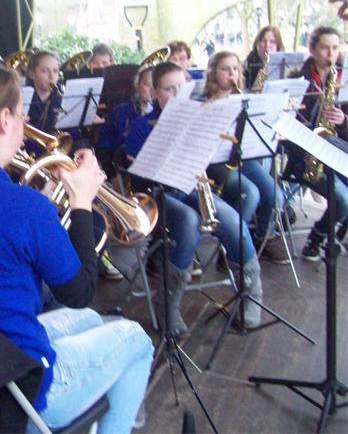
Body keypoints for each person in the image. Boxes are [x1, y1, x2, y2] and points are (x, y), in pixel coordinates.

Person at [0, 58, 152, 434]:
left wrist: (38, 206)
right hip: (22, 388)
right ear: (4, 119)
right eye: (22, 114)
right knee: (136, 339)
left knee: (92, 322)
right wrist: (81, 204)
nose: (25, 124)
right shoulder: (24, 208)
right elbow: (79, 292)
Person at [126, 62, 264, 336]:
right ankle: (168, 304)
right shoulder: (142, 126)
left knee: (231, 219)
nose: (176, 94)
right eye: (168, 89)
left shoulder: (199, 118)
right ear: (154, 92)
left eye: (182, 88)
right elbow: (138, 178)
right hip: (156, 193)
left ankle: (251, 293)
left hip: (190, 185)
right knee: (188, 221)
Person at [201, 51, 286, 264]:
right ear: (213, 72)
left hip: (244, 158)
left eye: (235, 69)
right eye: (225, 69)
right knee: (249, 193)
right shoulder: (203, 103)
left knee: (275, 194)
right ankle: (233, 249)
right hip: (217, 162)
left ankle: (263, 239)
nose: (231, 73)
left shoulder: (246, 100)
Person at [285, 27, 348, 259]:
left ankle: (335, 233)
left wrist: (343, 120)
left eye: (335, 48)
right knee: (342, 200)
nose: (331, 54)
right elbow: (284, 129)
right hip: (304, 157)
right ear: (312, 49)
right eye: (324, 48)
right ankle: (316, 239)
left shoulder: (342, 80)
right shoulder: (296, 80)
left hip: (335, 150)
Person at [95, 65, 153, 182]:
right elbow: (104, 147)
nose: (152, 89)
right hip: (125, 175)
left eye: (156, 85)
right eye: (147, 84)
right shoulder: (120, 111)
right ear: (137, 85)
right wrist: (113, 175)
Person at [26, 50, 62, 134]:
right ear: (31, 74)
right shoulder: (22, 96)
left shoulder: (60, 94)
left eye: (55, 71)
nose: (52, 77)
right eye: (44, 71)